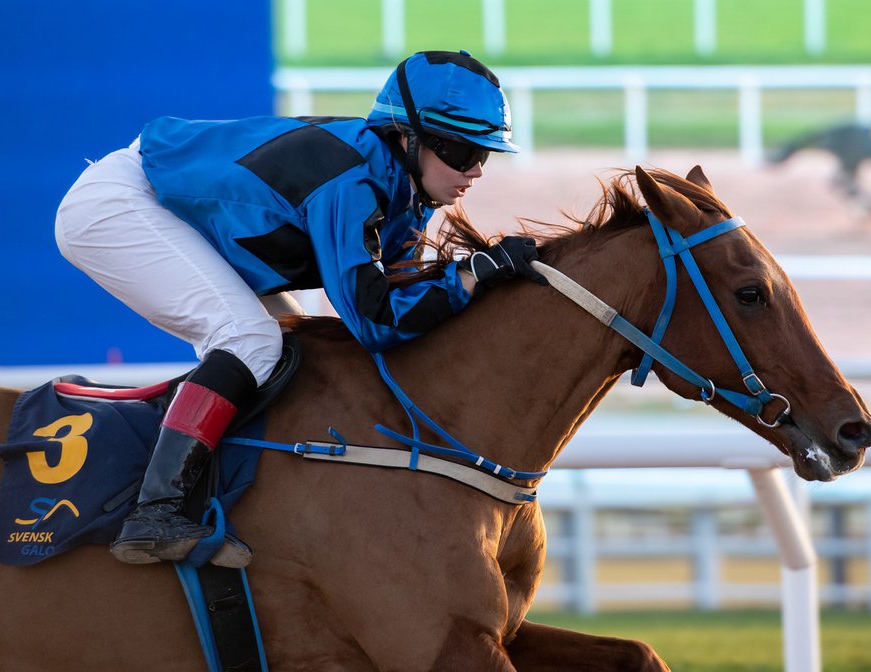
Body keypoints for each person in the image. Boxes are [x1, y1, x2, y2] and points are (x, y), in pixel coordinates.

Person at [55, 50, 546, 568]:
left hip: (176, 210)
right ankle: (156, 511)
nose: (475, 171)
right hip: (121, 206)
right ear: (409, 137)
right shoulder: (351, 181)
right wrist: (471, 274)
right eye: (463, 151)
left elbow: (404, 306)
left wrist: (476, 281)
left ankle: (236, 498)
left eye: (484, 155)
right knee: (252, 342)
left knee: (298, 348)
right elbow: (377, 322)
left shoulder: (403, 194)